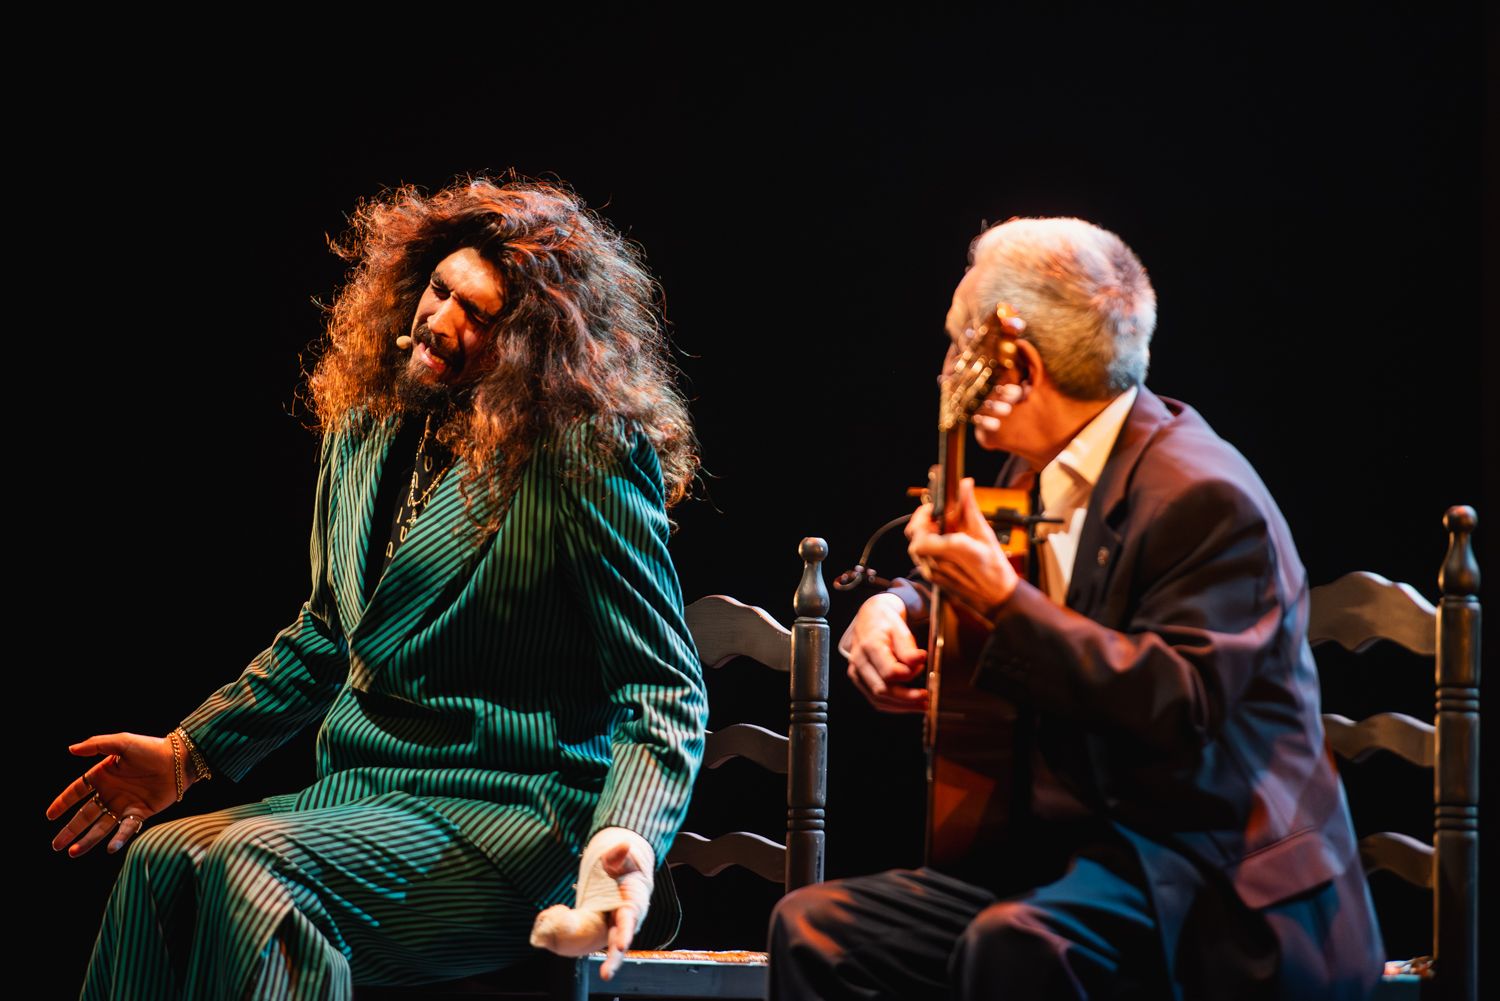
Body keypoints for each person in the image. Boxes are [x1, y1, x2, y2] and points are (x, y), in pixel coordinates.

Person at [47, 177, 709, 999]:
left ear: (534, 342)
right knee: (162, 861)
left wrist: (628, 841)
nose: (440, 321)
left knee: (258, 870)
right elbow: (329, 630)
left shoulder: (580, 454)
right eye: (439, 291)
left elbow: (665, 685)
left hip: (514, 820)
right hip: (365, 798)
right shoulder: (366, 423)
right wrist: (187, 756)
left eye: (481, 314)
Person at [769, 217, 1384, 1000]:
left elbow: (1177, 701)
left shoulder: (1202, 493)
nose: (945, 370)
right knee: (819, 930)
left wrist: (998, 599)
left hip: (1211, 877)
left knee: (1017, 944)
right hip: (1082, 860)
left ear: (1017, 360)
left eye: (958, 343)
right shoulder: (1043, 465)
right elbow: (1008, 575)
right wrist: (895, 607)